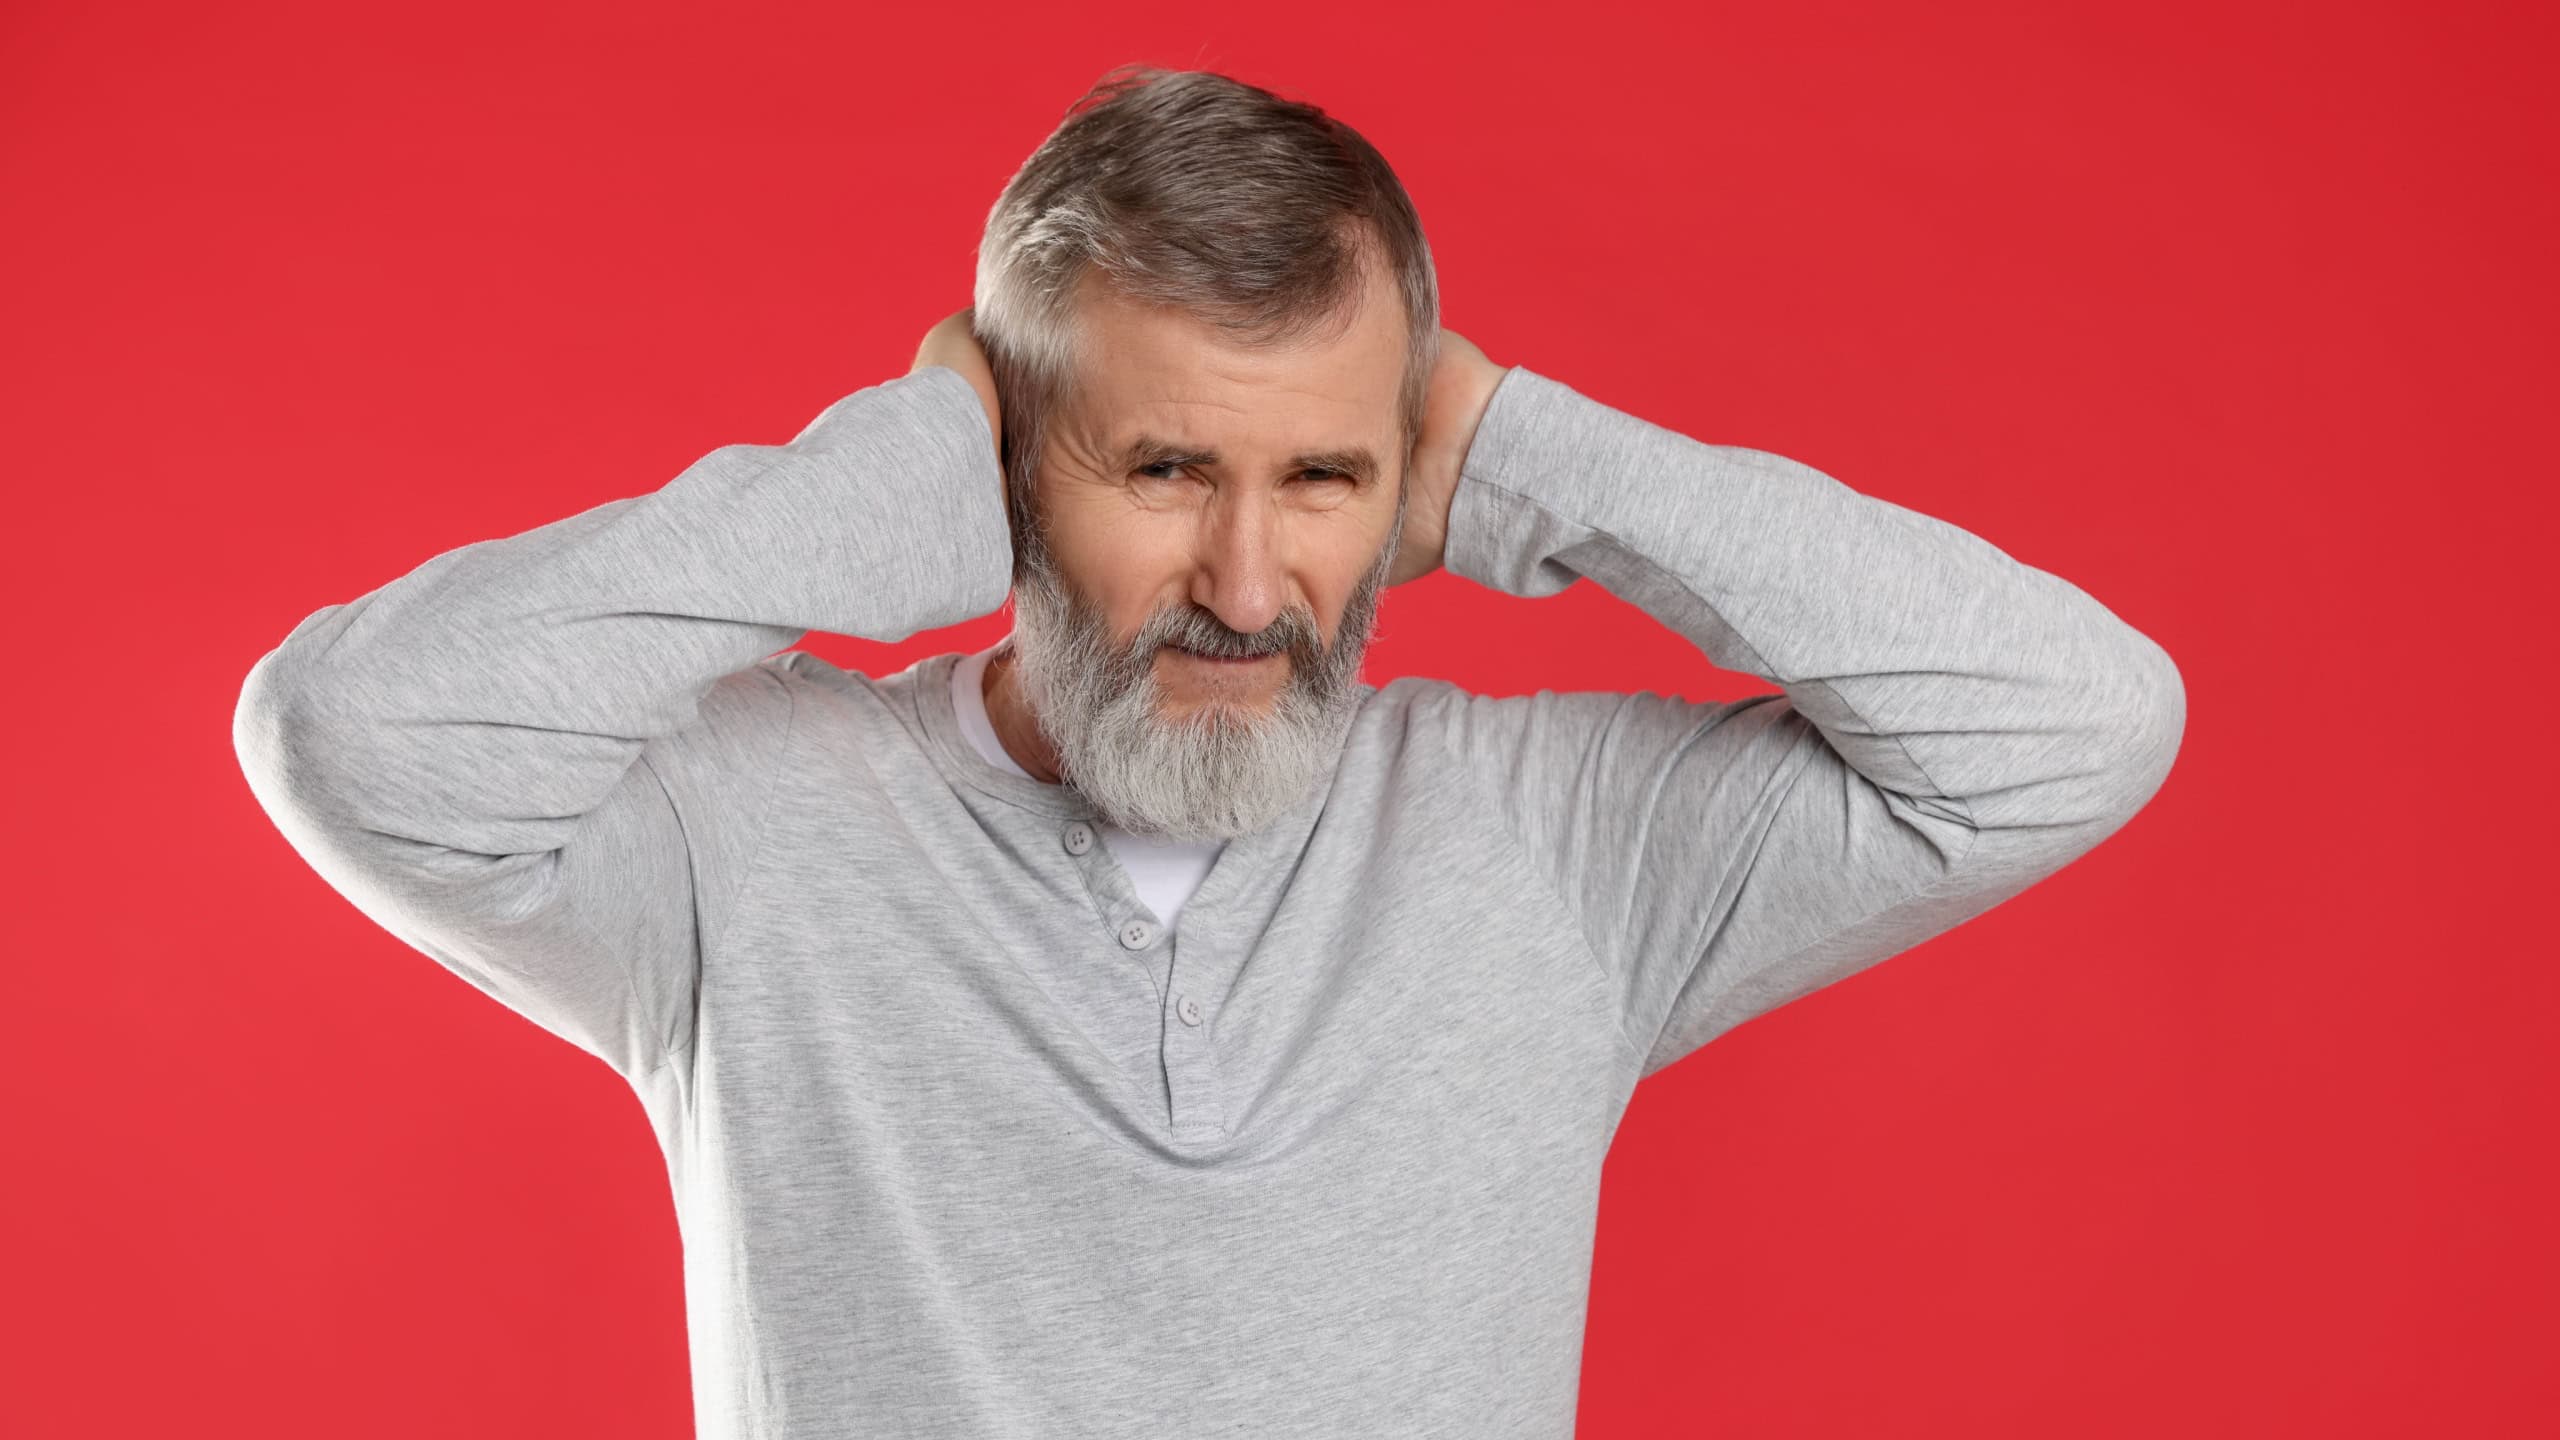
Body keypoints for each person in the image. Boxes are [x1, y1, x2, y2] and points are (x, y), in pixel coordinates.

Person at [233, 63, 2184, 1440]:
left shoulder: (1559, 842)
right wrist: (875, 485)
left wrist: (1535, 457)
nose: (1249, 589)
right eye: (1163, 468)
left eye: (1324, 477)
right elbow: (355, 736)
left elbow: (2069, 723)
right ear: (1013, 464)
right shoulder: (743, 835)